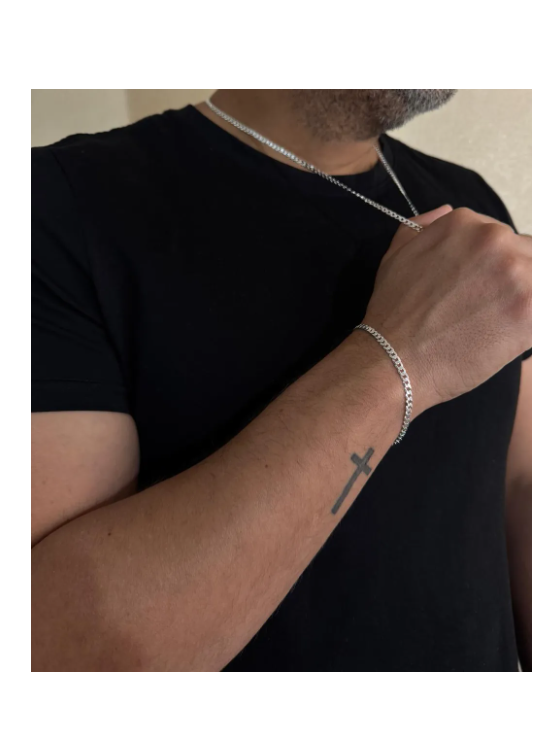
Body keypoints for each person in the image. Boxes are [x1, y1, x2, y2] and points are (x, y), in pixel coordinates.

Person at [31, 90, 532, 672]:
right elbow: (58, 651)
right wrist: (400, 358)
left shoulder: (470, 203)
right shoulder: (56, 203)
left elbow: (520, 480)